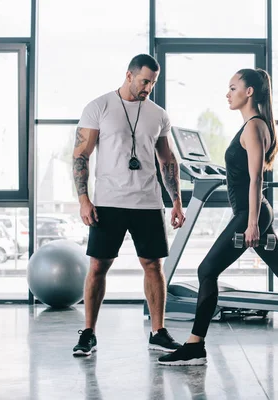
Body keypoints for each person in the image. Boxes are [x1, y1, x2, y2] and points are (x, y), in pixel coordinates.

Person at [158, 68, 278, 366]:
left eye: (233, 88)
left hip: (251, 213)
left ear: (249, 92)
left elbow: (256, 178)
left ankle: (195, 345)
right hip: (254, 213)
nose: (227, 94)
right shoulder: (253, 126)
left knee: (206, 271)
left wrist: (252, 224)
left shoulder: (253, 127)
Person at [72, 54, 186, 357]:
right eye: (144, 81)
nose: (148, 87)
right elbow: (81, 155)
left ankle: (158, 332)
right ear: (129, 75)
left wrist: (176, 201)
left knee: (153, 266)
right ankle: (88, 333)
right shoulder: (99, 107)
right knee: (98, 266)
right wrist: (84, 199)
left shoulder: (158, 114)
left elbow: (167, 160)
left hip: (148, 202)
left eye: (153, 82)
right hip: (108, 202)